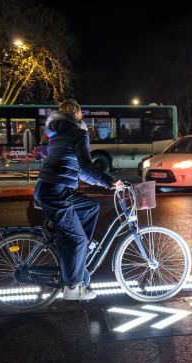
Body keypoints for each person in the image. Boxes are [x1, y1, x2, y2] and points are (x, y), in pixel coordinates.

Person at [34, 100, 123, 301]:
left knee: (91, 206)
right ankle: (72, 288)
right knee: (78, 239)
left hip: (47, 189)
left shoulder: (56, 133)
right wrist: (109, 181)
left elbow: (79, 171)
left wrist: (104, 184)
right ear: (78, 114)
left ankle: (78, 249)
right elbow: (86, 166)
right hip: (56, 192)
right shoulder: (79, 132)